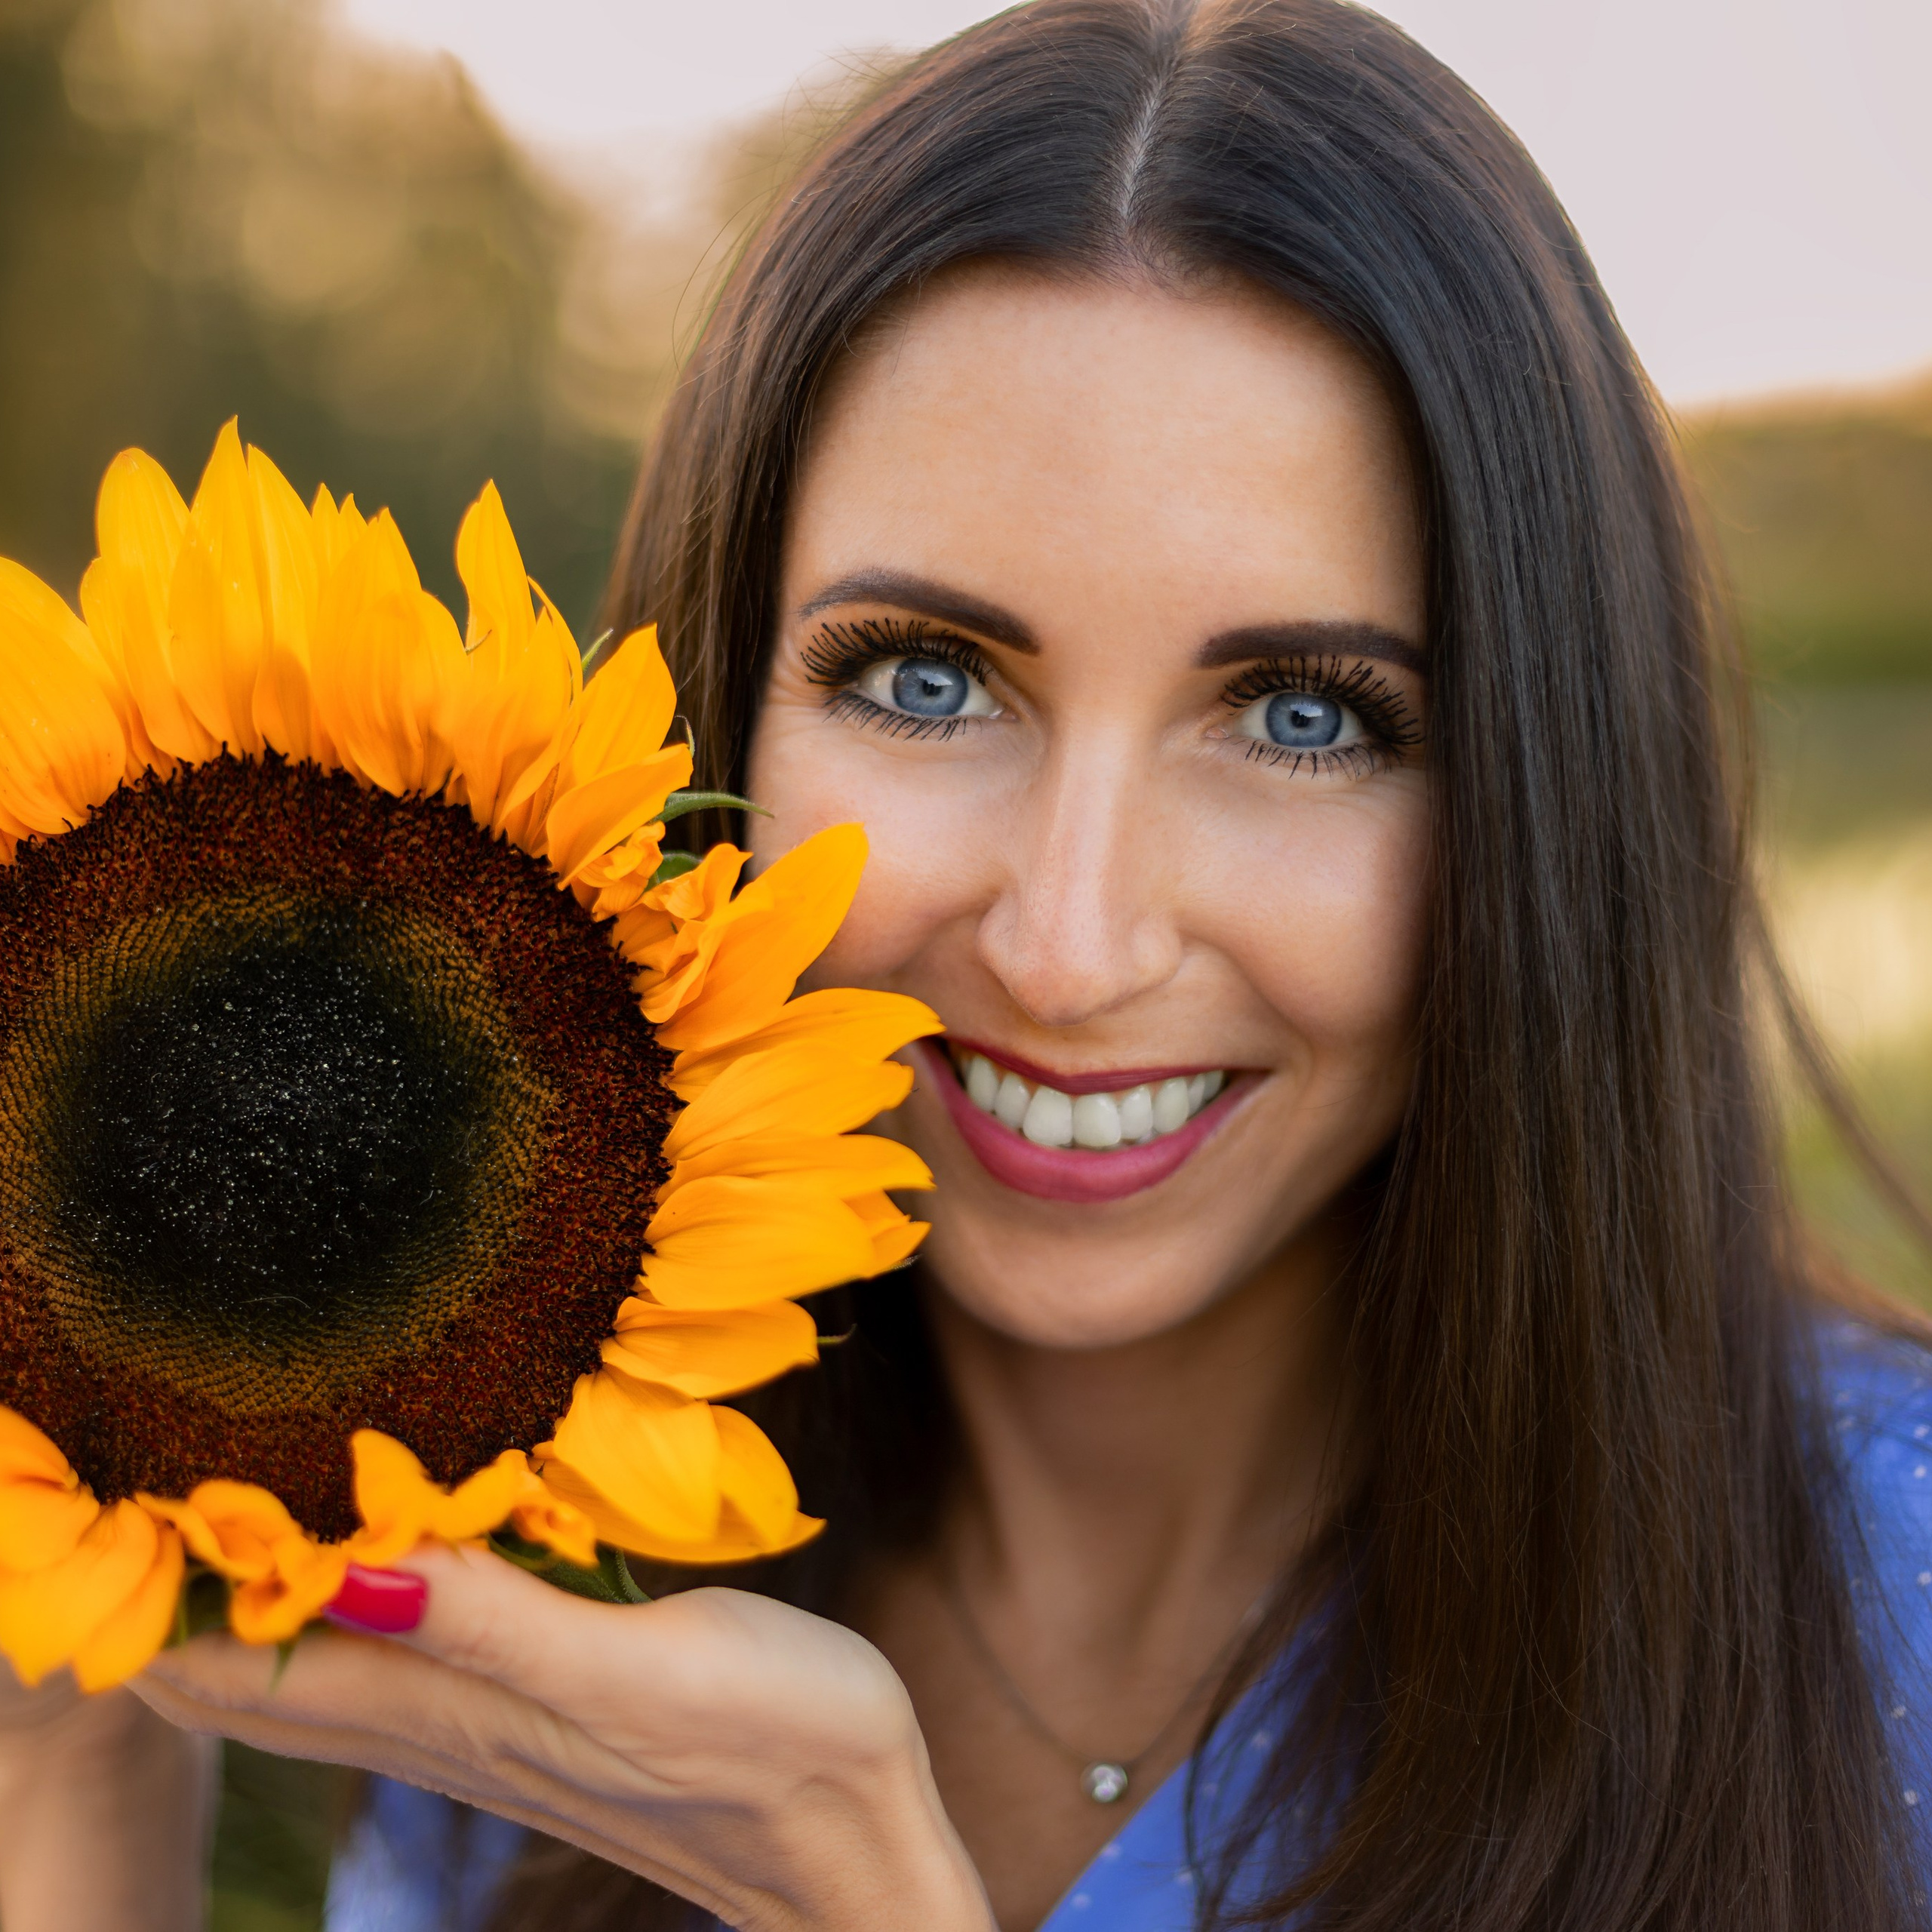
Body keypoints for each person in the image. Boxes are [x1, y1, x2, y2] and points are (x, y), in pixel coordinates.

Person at [9, 0, 1931, 1927]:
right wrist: (72, 1741)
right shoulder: (526, 1520)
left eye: (1302, 718)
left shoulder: (1887, 1607)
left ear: (1551, 783)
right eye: (925, 682)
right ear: (714, 708)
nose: (1069, 946)